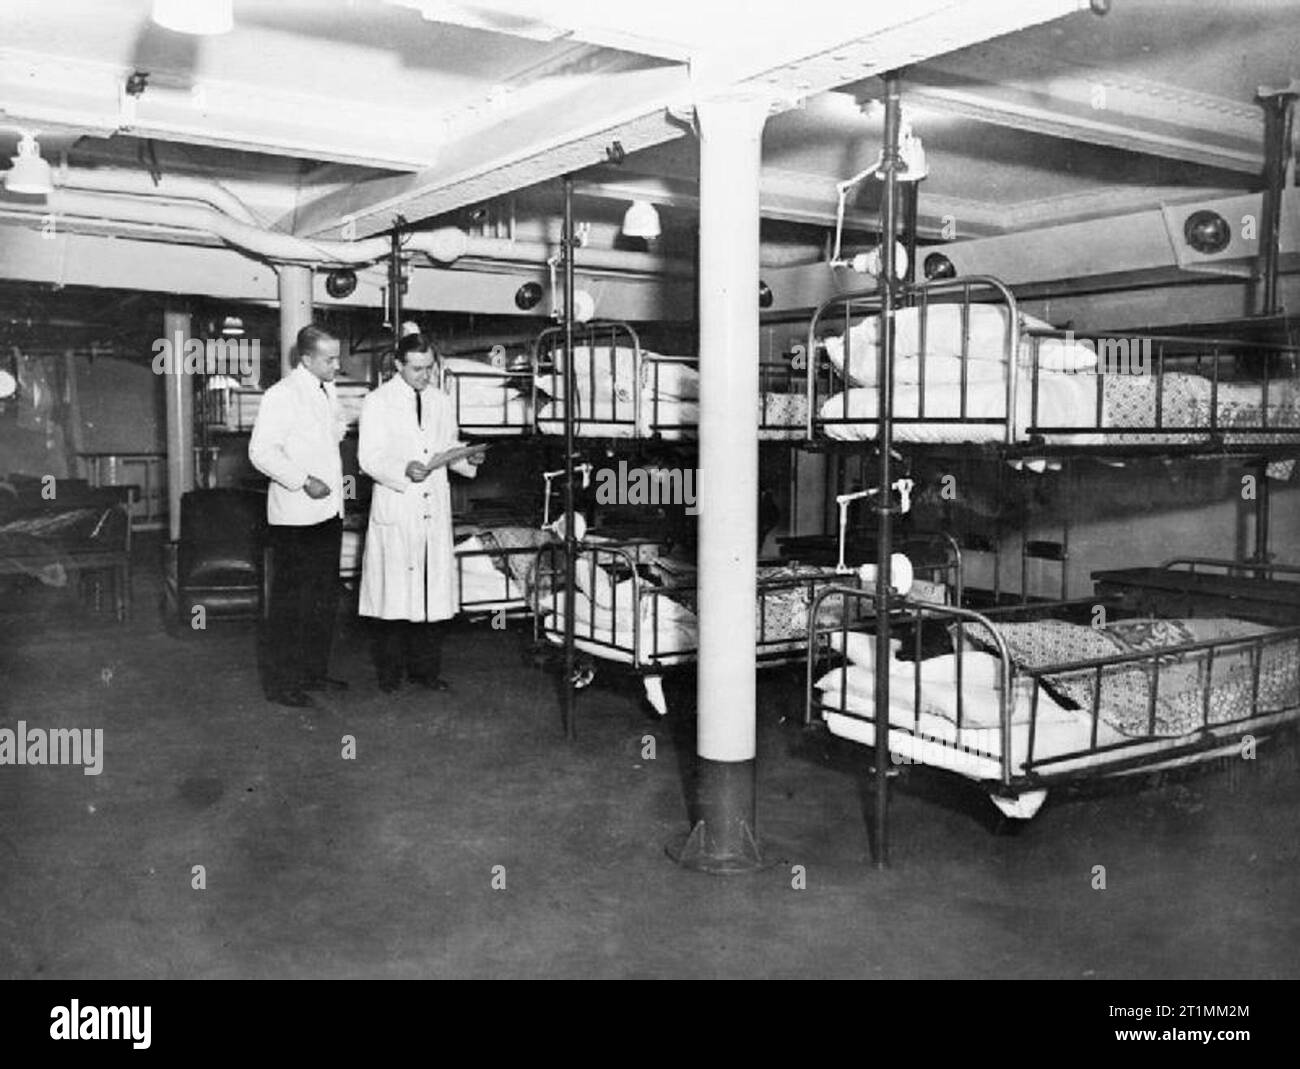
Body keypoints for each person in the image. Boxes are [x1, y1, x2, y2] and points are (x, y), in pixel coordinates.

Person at [358, 332, 483, 693]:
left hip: (432, 505)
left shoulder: (441, 400)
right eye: (416, 369)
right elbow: (369, 457)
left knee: (431, 592)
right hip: (399, 505)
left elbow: (445, 447)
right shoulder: (377, 402)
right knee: (395, 596)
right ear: (398, 365)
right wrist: (403, 468)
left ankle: (425, 673)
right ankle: (390, 676)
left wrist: (467, 457)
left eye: (429, 368)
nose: (424, 376)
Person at [248, 324, 348, 708]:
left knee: (322, 598)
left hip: (328, 511)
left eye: (337, 357)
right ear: (305, 359)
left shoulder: (326, 389)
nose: (337, 365)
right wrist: (303, 480)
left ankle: (312, 673)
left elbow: (328, 434)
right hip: (295, 517)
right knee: (291, 602)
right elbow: (261, 452)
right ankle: (281, 684)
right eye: (330, 359)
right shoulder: (282, 395)